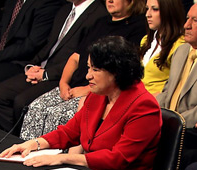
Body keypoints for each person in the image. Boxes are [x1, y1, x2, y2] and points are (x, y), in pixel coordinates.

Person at [0, 36, 162, 170]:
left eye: (95, 70)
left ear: (117, 72)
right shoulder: (97, 95)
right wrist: (33, 144)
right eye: (88, 67)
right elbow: (70, 132)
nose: (87, 75)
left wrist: (63, 159)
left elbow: (118, 158)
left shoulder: (144, 106)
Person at [20, 0, 147, 140]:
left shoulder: (138, 27)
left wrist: (86, 89)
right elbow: (75, 57)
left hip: (96, 91)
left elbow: (120, 73)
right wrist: (63, 83)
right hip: (71, 86)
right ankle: (28, 154)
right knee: (35, 109)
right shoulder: (100, 22)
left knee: (57, 116)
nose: (109, 0)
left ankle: (53, 159)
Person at [0, 0, 108, 132]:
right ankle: (15, 138)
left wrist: (46, 74)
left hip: (59, 75)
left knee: (21, 102)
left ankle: (21, 141)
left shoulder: (99, 15)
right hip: (42, 69)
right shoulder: (65, 9)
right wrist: (33, 66)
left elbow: (80, 59)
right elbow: (48, 46)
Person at [156, 3, 197, 170]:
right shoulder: (181, 51)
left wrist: (172, 122)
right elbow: (167, 92)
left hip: (188, 133)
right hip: (167, 124)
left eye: (195, 20)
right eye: (187, 19)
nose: (186, 25)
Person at [140, 0, 185, 97]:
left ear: (169, 12)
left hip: (158, 104)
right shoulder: (145, 40)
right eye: (147, 9)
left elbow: (176, 87)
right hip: (138, 99)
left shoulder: (180, 45)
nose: (148, 14)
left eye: (155, 9)